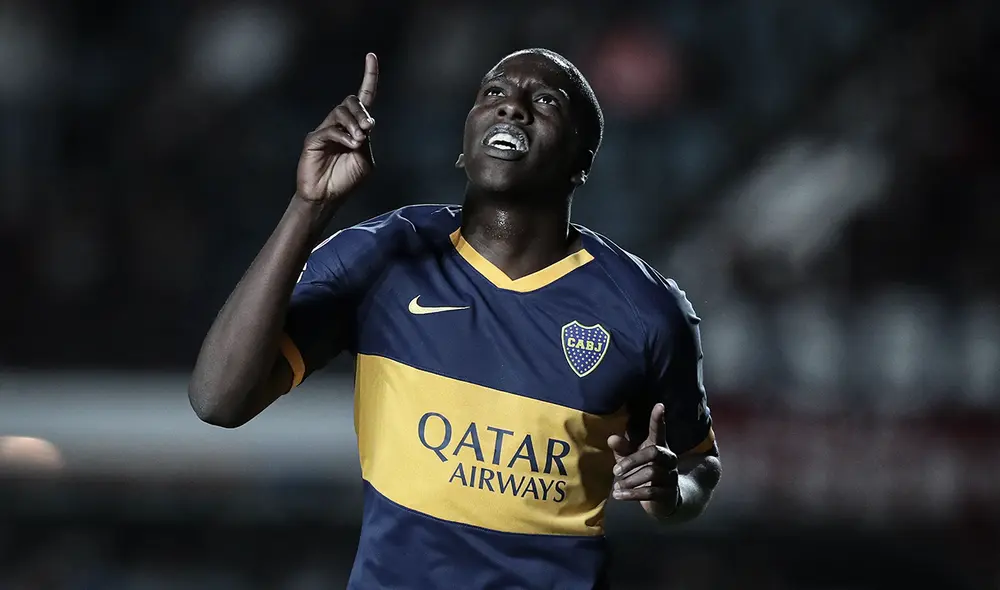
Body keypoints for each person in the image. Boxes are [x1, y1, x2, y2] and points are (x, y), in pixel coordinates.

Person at [189, 48, 722, 590]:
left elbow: (700, 464)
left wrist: (671, 493)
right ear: (465, 140)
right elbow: (218, 400)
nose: (512, 107)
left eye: (544, 101)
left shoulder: (646, 311)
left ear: (582, 160)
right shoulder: (383, 256)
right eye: (493, 93)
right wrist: (308, 206)